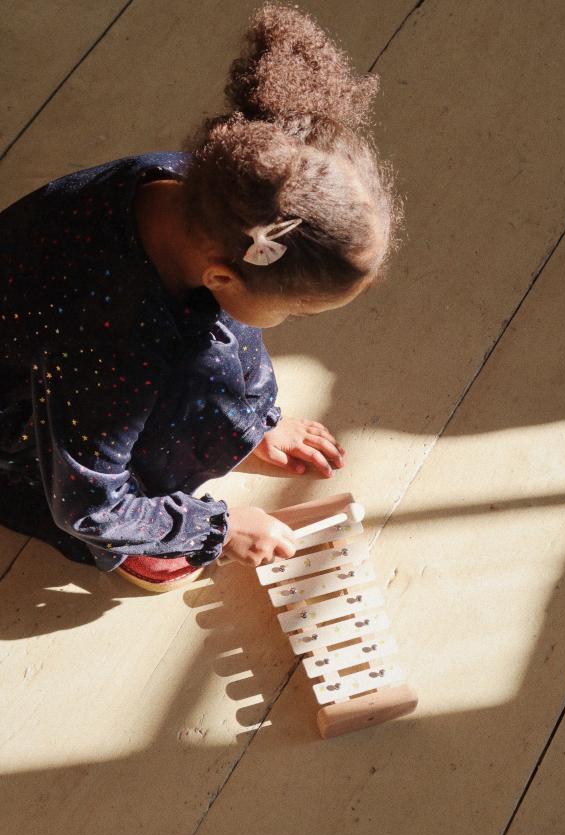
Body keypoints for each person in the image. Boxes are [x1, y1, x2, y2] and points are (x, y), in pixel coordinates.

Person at [0, 3, 401, 591]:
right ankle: (145, 529)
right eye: (292, 309)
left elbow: (232, 324)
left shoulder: (216, 193)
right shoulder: (113, 350)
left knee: (214, 343)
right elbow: (86, 503)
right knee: (126, 448)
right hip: (22, 401)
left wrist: (253, 424)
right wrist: (214, 526)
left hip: (77, 340)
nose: (286, 321)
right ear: (220, 276)